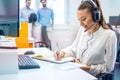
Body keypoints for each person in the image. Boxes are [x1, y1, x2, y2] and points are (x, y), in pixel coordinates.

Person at [53, 0, 117, 76]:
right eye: (79, 20)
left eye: (83, 19)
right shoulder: (82, 30)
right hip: (77, 73)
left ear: (95, 16)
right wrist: (62, 53)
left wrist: (85, 67)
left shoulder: (109, 36)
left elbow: (109, 68)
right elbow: (74, 49)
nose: (80, 24)